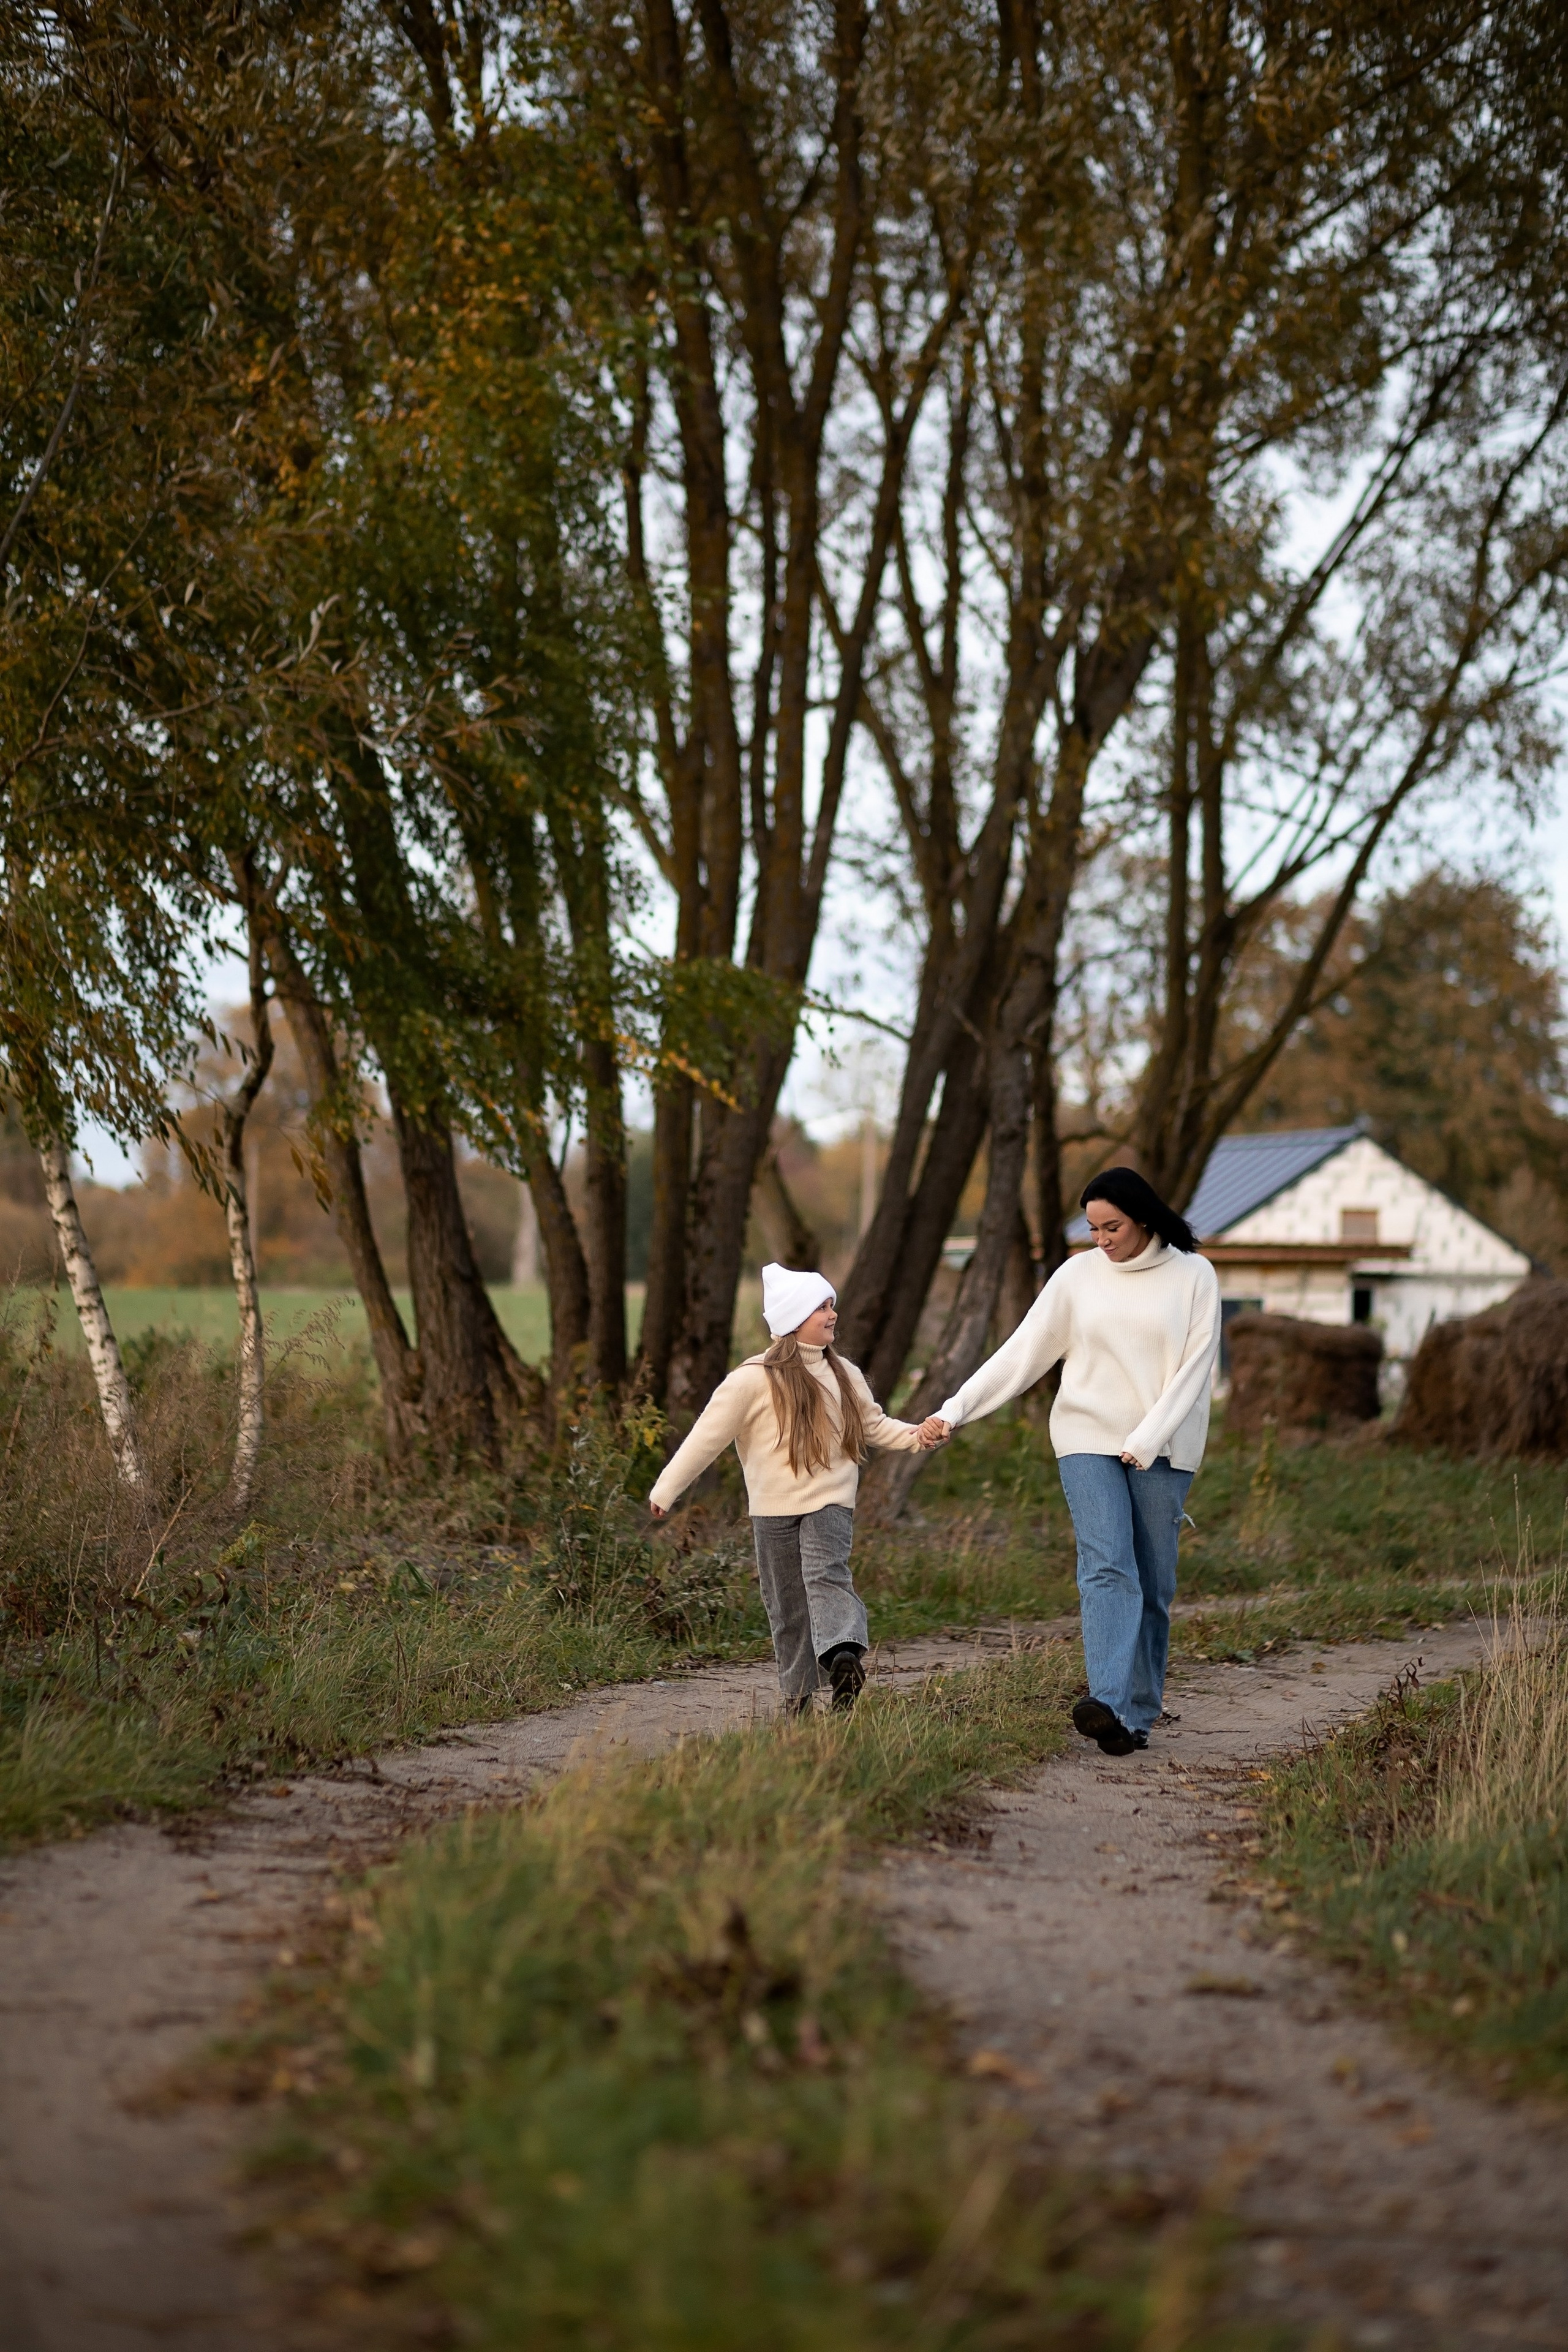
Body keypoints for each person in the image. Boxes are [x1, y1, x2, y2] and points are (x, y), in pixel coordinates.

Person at [919, 1169, 1219, 1756]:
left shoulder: (1193, 1276)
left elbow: (1195, 1368)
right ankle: (1106, 1703)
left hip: (1163, 1446)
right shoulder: (1077, 1276)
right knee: (1107, 1564)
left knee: (1153, 1583)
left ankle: (1138, 1714)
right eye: (1093, 1228)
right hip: (1085, 1433)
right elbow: (1022, 1353)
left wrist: (1148, 1437)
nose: (1102, 1240)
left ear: (1145, 1220)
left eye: (1113, 1227)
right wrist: (954, 1410)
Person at [649, 1264, 935, 1713]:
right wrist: (667, 1489)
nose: (832, 1314)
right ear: (793, 1318)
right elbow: (707, 1437)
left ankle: (843, 1656)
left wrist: (919, 1434)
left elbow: (874, 1425)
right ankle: (800, 1696)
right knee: (787, 1602)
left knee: (825, 1575)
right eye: (822, 1307)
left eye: (831, 1305)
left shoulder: (845, 1374)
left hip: (830, 1500)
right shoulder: (751, 1379)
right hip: (772, 1508)